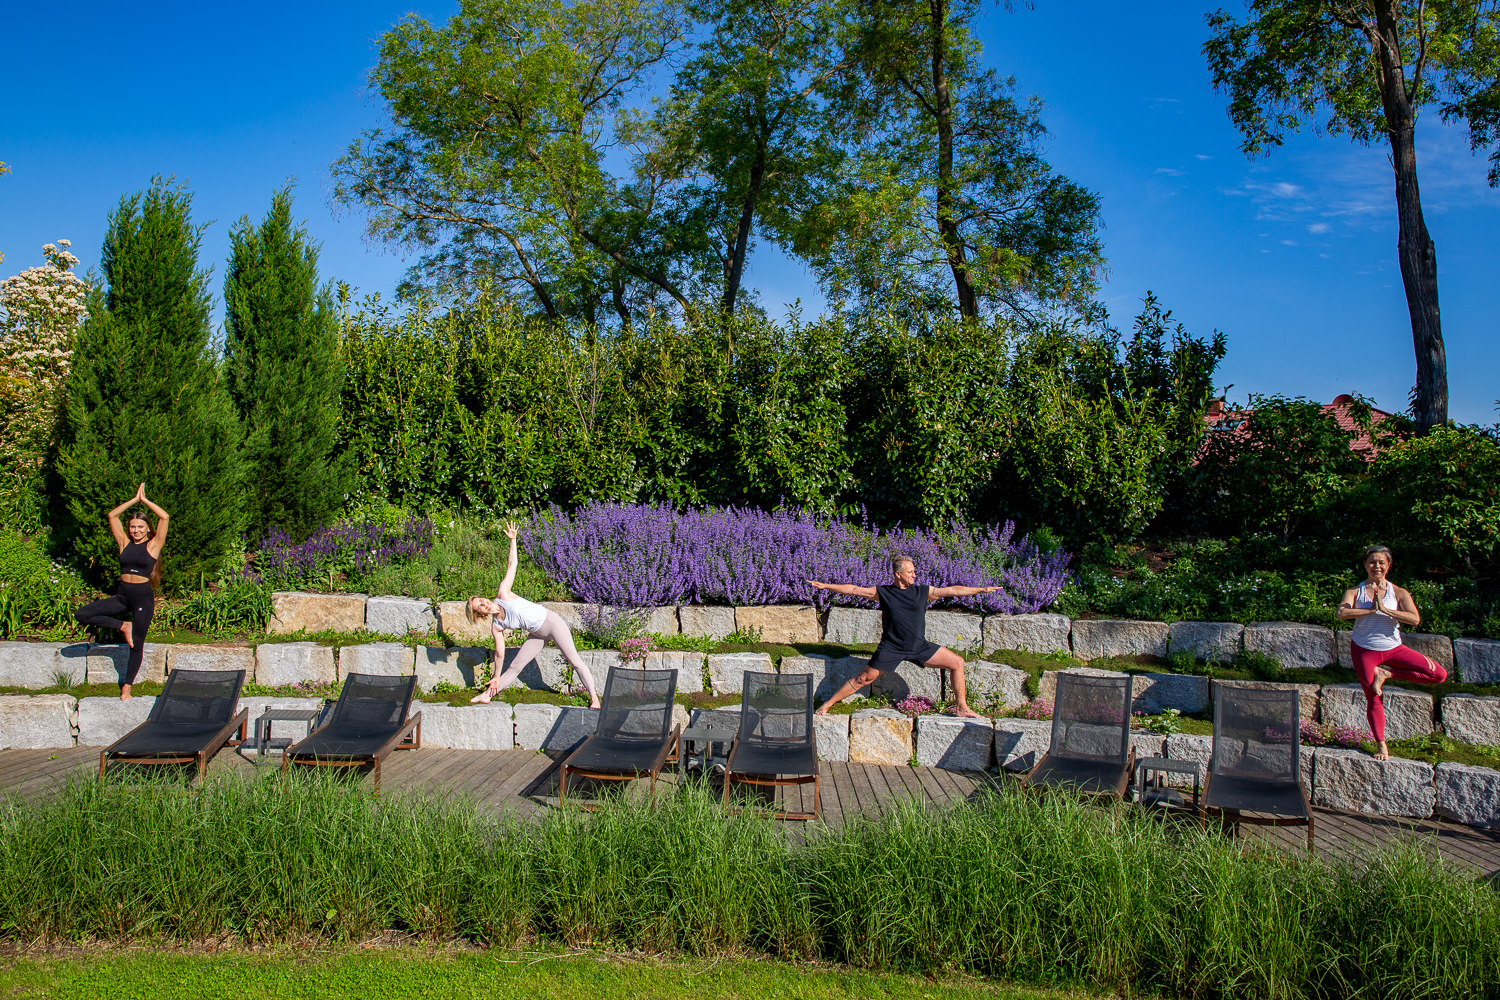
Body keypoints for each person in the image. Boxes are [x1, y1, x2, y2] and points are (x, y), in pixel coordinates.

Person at [807, 556, 999, 718]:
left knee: (957, 662)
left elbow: (951, 590)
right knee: (863, 679)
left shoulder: (922, 592)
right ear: (898, 574)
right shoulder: (883, 592)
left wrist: (980, 590)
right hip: (891, 648)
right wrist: (826, 586)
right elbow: (855, 590)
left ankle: (962, 708)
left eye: (914, 571)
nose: (914, 575)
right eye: (910, 572)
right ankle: (827, 704)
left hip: (919, 647)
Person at [467, 522, 601, 709]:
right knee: (514, 667)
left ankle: (594, 698)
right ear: (480, 614)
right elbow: (499, 653)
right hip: (537, 634)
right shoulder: (497, 625)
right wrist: (496, 676)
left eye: (482, 600)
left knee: (574, 661)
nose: (484, 603)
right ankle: (487, 695)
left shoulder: (503, 593)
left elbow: (512, 564)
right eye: (480, 606)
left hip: (551, 623)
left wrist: (513, 540)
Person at [1336, 544, 1447, 760]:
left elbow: (1414, 619)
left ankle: (1386, 673)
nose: (1376, 566)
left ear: (1388, 565)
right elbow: (1341, 613)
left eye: (1381, 562)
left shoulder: (1399, 592)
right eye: (1372, 562)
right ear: (1365, 565)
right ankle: (1381, 744)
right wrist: (1371, 609)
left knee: (1439, 675)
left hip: (1394, 649)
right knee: (1373, 696)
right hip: (1364, 650)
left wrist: (1386, 610)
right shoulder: (1354, 591)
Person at [74, 483, 168, 701]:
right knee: (82, 614)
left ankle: (127, 686)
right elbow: (112, 516)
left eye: (140, 527)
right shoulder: (124, 542)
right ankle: (124, 625)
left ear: (148, 528)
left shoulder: (154, 545)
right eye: (133, 527)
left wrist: (145, 501)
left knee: (137, 643)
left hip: (142, 598)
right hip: (123, 596)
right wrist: (134, 500)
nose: (136, 531)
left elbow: (164, 517)